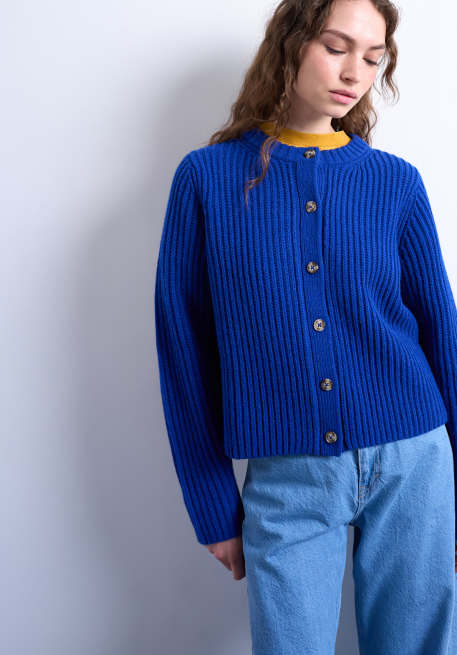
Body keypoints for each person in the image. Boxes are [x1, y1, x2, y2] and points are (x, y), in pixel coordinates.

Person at [154, 0, 457, 652]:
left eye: (372, 58)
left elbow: (442, 333)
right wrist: (212, 503)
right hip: (288, 475)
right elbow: (183, 349)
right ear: (289, 44)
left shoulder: (394, 182)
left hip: (414, 461)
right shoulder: (206, 179)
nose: (354, 72)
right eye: (335, 47)